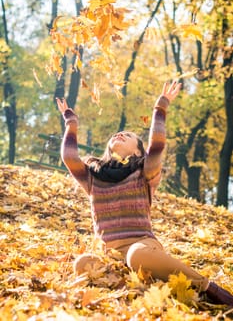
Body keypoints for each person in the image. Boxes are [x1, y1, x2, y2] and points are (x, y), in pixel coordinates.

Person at [56, 80, 233, 307]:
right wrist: (71, 122)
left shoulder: (144, 173)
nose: (120, 134)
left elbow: (157, 145)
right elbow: (70, 158)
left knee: (137, 257)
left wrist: (161, 107)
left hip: (142, 246)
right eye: (117, 134)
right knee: (82, 264)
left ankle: (208, 287)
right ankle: (140, 288)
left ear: (139, 151)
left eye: (127, 135)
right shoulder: (93, 177)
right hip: (111, 255)